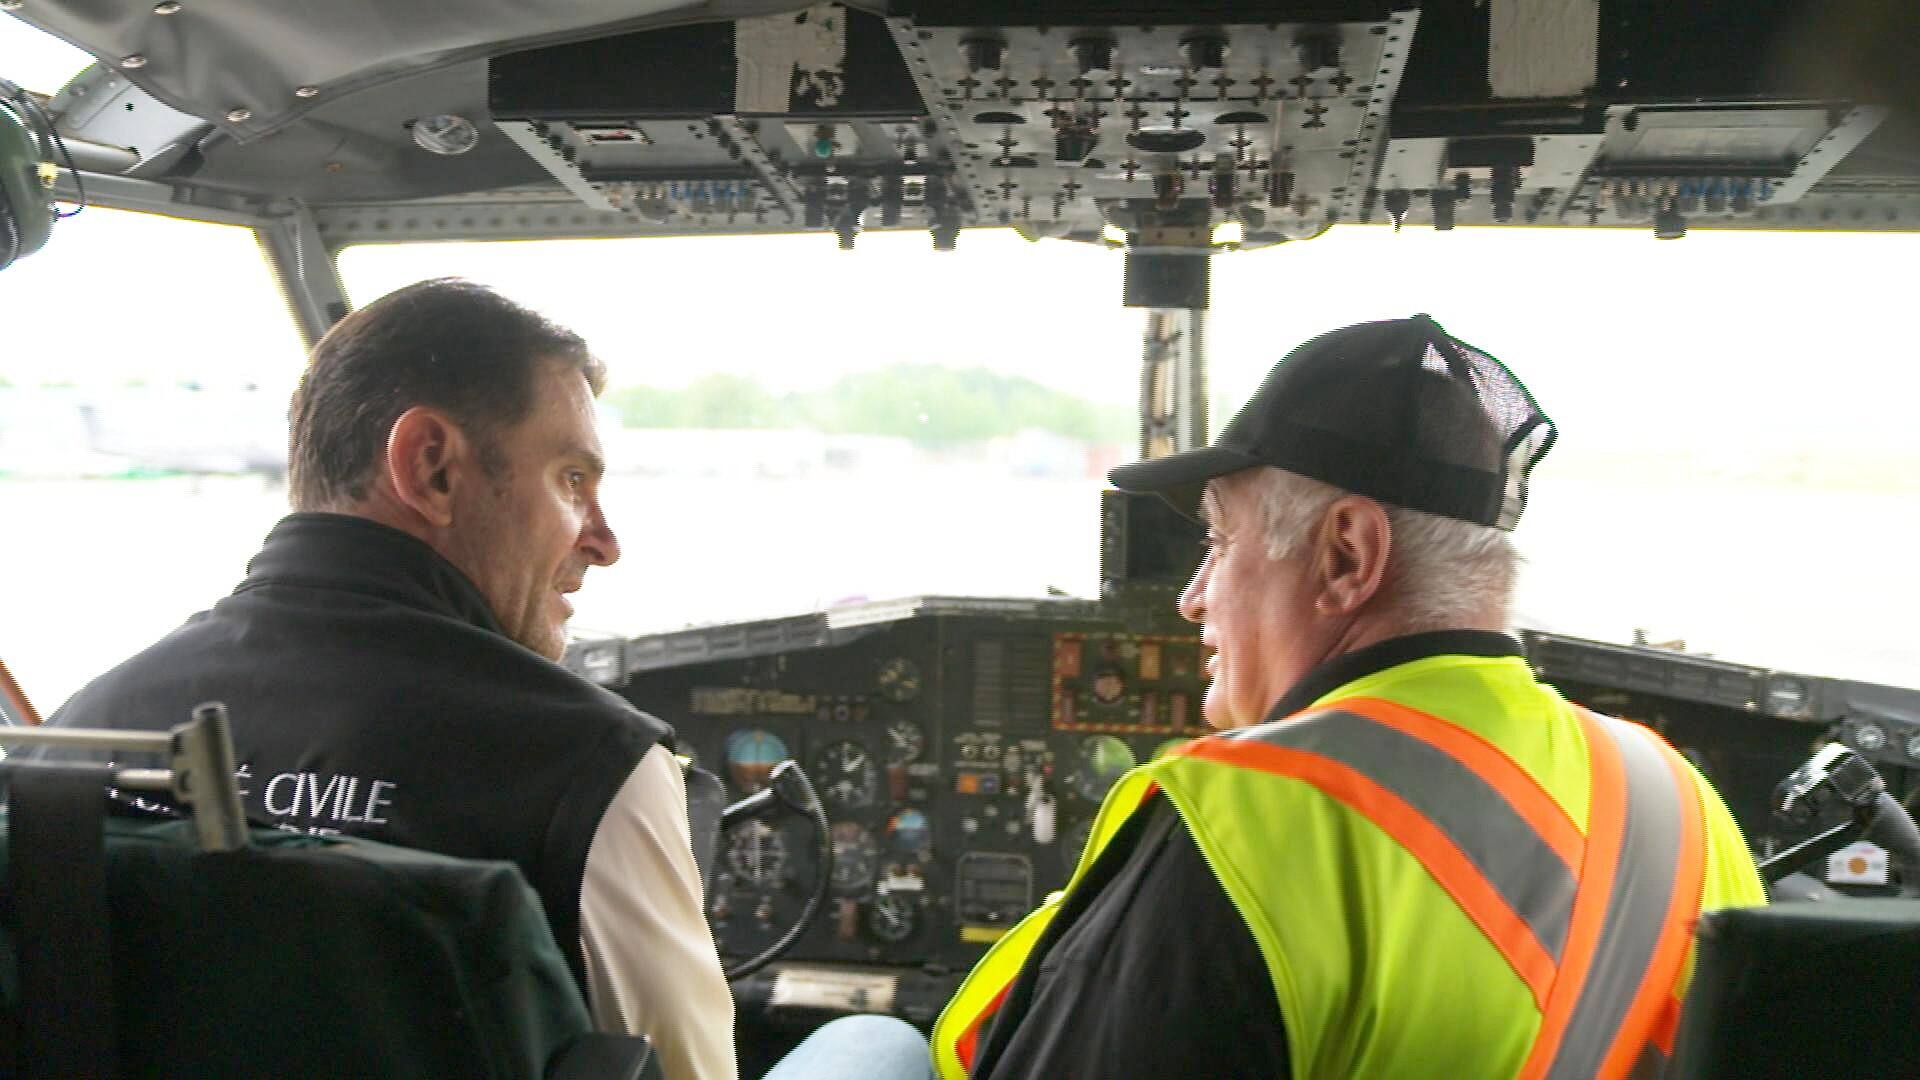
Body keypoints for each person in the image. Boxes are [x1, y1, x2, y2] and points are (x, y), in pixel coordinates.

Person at [930, 315, 1768, 1079]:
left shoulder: (1245, 821)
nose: (1193, 597)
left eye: (1221, 542)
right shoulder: (1684, 803)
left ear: (1345, 557)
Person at [45, 279, 735, 1080]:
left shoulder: (73, 736)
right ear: (431, 466)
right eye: (572, 480)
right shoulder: (593, 765)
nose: (604, 540)